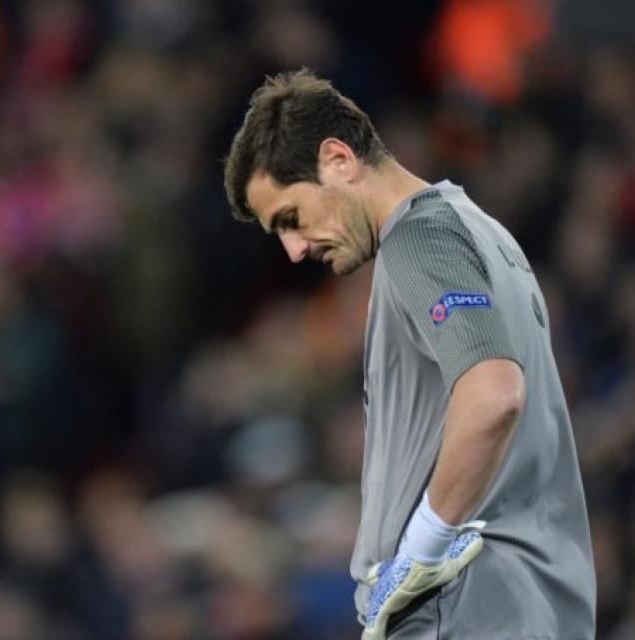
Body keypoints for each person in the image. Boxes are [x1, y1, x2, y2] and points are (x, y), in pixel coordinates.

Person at [223, 69, 596, 639]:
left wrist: (420, 549)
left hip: (467, 608)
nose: (294, 250)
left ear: (338, 159)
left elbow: (494, 394)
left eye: (291, 219)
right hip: (525, 606)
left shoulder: (419, 238)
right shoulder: (484, 232)